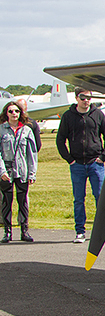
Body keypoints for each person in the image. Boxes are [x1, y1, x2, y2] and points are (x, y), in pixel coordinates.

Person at [56, 88, 105, 244]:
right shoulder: (68, 116)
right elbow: (60, 139)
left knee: (100, 197)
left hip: (96, 163)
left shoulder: (98, 114)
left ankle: (101, 231)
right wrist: (69, 159)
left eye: (89, 97)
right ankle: (80, 231)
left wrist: (103, 156)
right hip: (77, 165)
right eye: (83, 97)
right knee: (79, 199)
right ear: (76, 98)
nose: (86, 100)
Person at [0, 101, 38, 242]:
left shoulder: (26, 130)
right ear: (6, 113)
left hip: (22, 171)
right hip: (6, 171)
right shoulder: (1, 130)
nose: (14, 114)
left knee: (22, 201)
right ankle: (7, 232)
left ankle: (24, 231)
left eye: (16, 111)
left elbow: (32, 153)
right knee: (6, 201)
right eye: (11, 111)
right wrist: (1, 171)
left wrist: (32, 173)